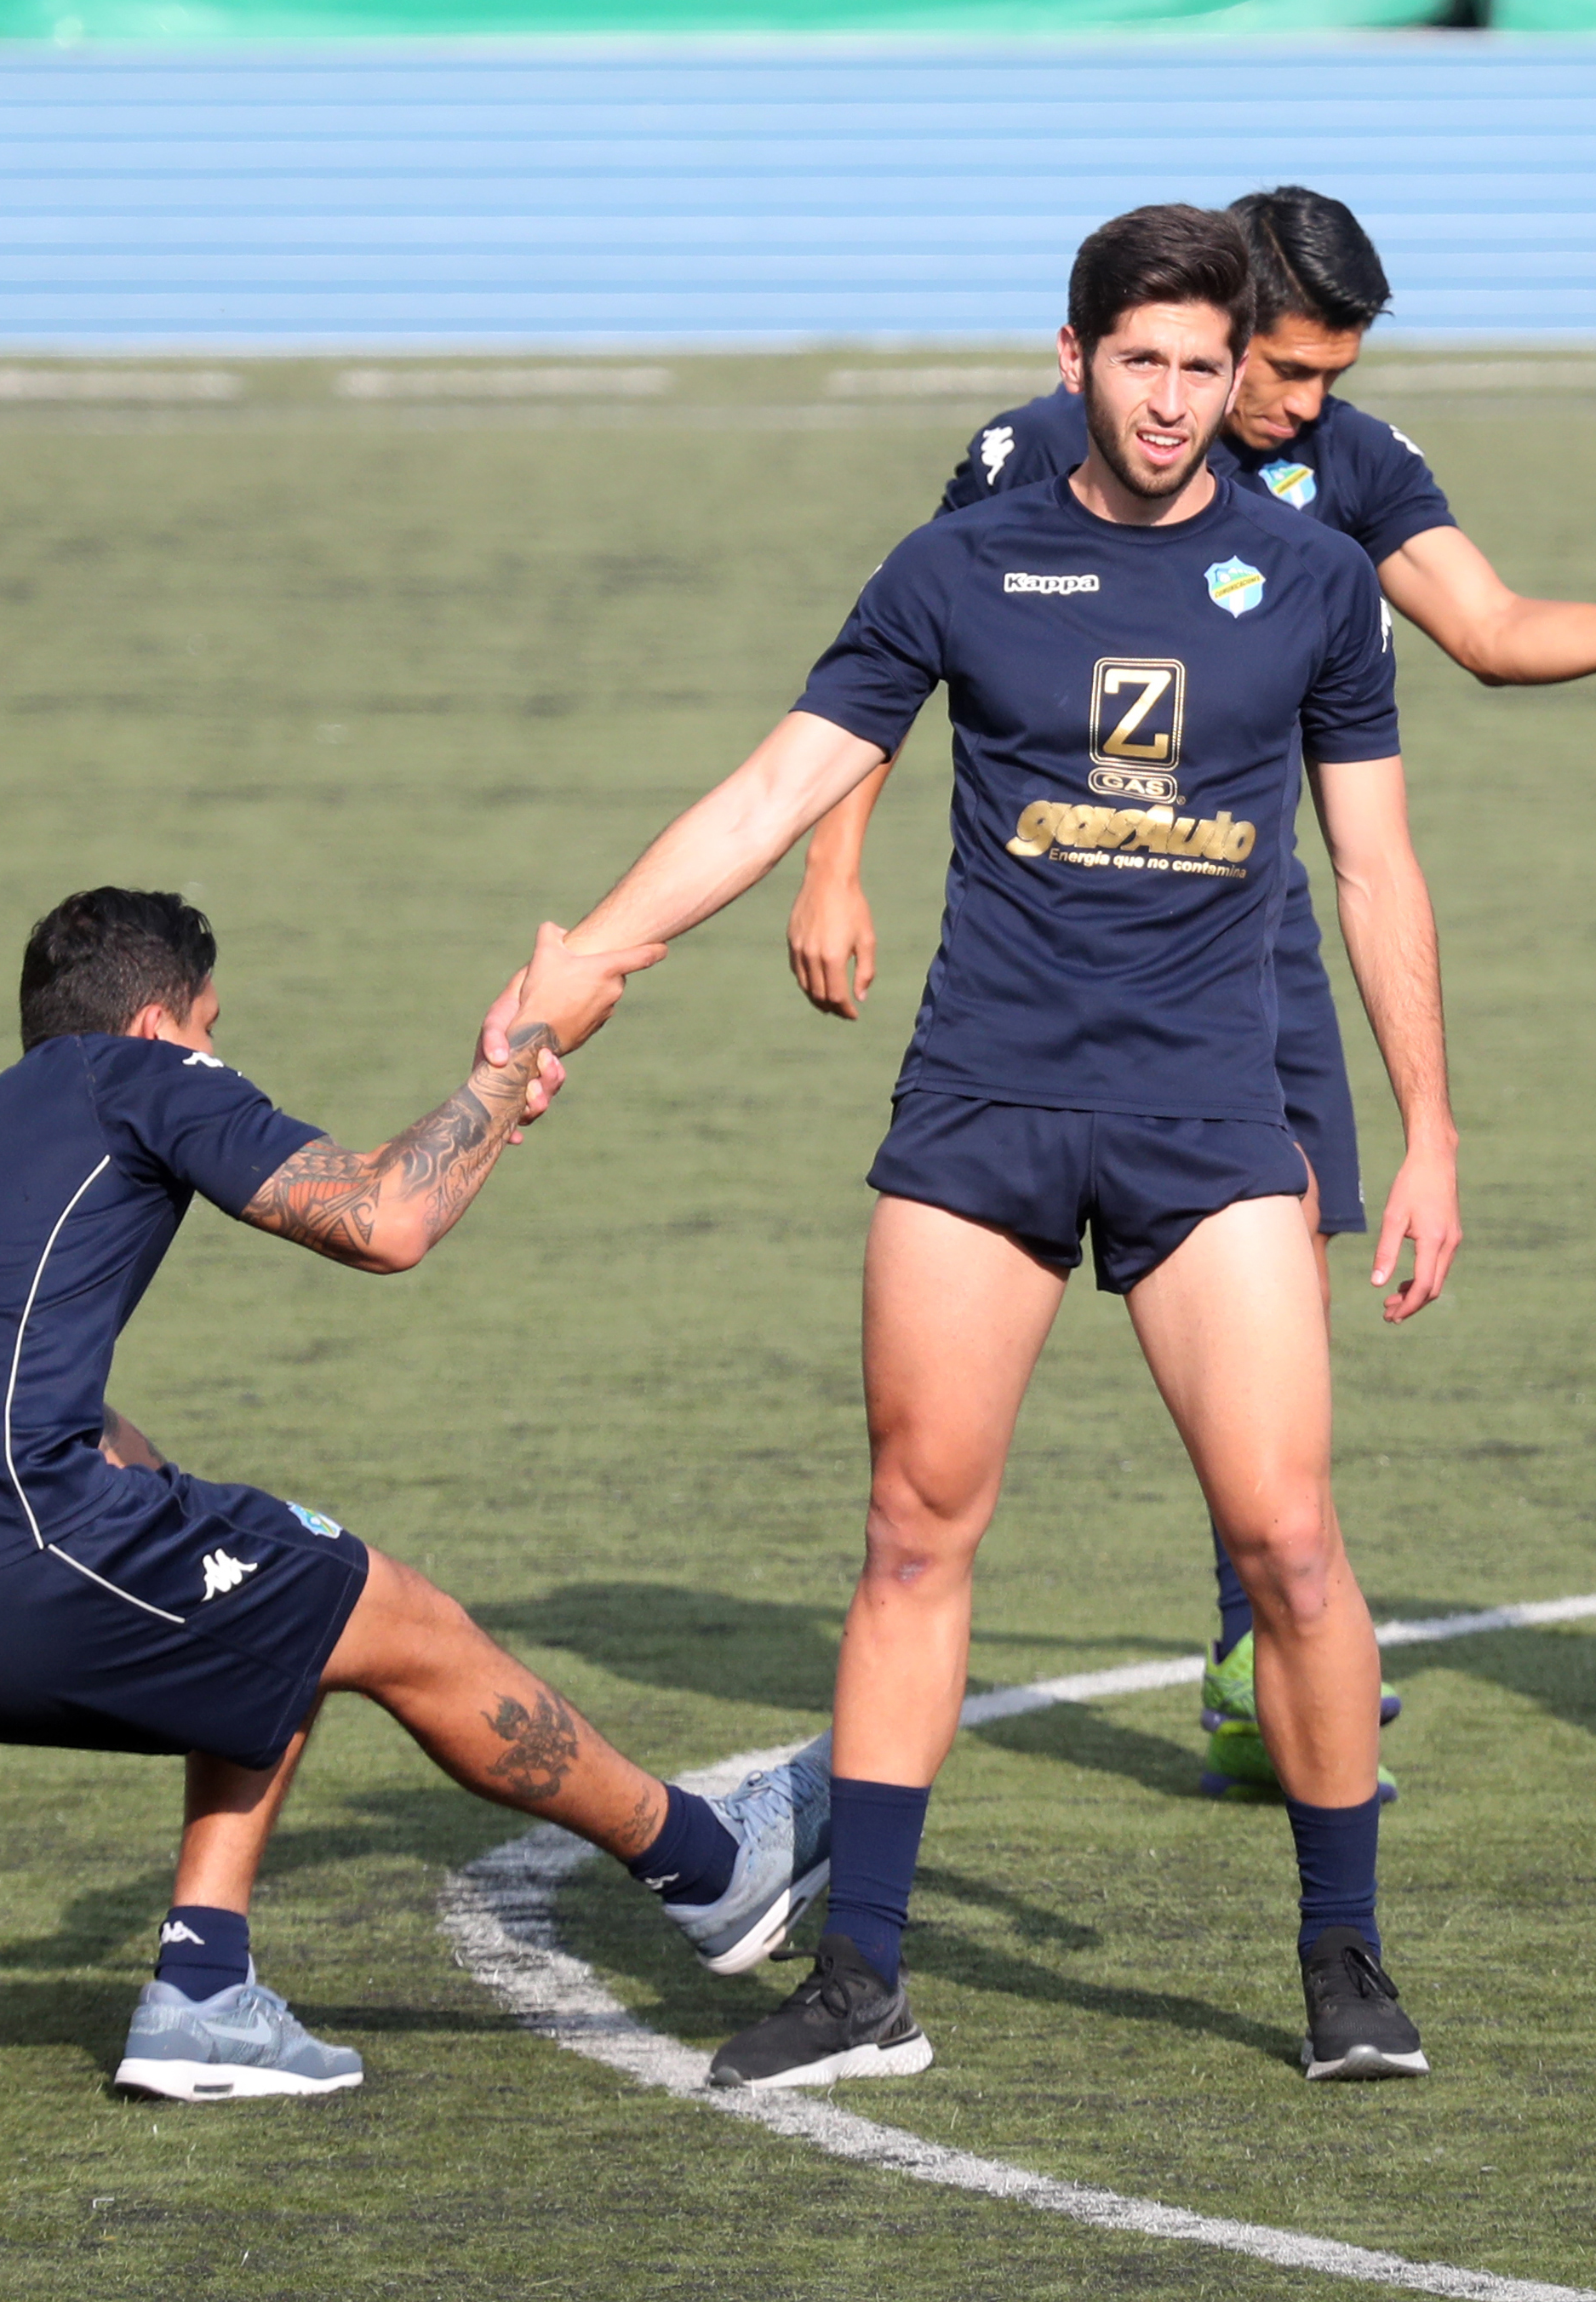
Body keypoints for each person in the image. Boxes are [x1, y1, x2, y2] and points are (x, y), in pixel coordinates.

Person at [508, 205, 1454, 2087]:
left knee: (1288, 1542)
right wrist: (590, 953)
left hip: (1210, 1122)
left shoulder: (1316, 583)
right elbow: (781, 782)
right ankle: (863, 1974)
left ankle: (1343, 1952)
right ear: (1075, 357)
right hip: (982, 1113)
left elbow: (1377, 867)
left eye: (1205, 368)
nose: (1176, 403)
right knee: (911, 1536)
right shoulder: (957, 564)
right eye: (1142, 363)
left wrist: (1429, 1127)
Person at [782, 185, 1596, 1801]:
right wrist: (830, 866)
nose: (1298, 410)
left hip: (1250, 954)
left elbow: (1490, 630)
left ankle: (1252, 1642)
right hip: (1042, 964)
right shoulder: (1039, 450)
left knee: (1274, 1298)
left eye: (1322, 379)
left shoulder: (1348, 467)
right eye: (1284, 371)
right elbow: (893, 654)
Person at [0, 888, 827, 2102]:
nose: (223, 1051)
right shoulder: (146, 1079)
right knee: (377, 1604)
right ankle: (712, 1869)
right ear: (165, 1020)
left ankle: (205, 1993)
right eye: (214, 1025)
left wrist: (206, 1529)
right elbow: (387, 1221)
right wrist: (528, 1048)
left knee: (272, 1578)